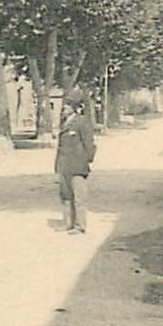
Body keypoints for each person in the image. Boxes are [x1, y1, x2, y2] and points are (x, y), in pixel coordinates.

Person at [54, 86, 96, 234]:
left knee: (79, 197)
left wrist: (86, 161)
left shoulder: (81, 122)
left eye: (66, 105)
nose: (64, 108)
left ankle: (80, 226)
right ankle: (68, 223)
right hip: (64, 166)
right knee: (66, 196)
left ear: (74, 108)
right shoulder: (64, 123)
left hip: (77, 166)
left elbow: (89, 144)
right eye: (64, 105)